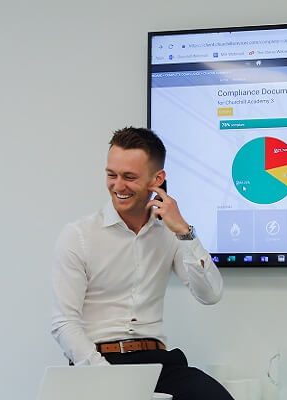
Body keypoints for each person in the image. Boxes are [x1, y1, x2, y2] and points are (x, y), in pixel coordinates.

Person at [50, 127, 233, 400]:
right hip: (98, 361)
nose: (118, 186)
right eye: (111, 175)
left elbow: (211, 294)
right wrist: (105, 376)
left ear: (157, 179)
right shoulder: (78, 236)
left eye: (129, 177)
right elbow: (64, 323)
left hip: (157, 364)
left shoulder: (170, 234)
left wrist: (184, 231)